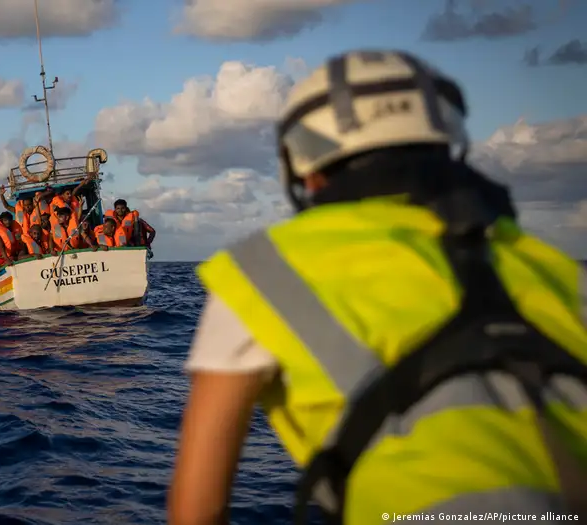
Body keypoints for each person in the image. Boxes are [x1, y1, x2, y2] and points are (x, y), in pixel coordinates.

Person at [168, 49, 587, 525]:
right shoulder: (555, 268)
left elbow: (196, 511)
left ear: (305, 164)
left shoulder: (265, 269)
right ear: (444, 139)